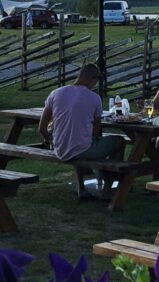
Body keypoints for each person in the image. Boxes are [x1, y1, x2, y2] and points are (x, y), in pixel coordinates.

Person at [39, 62, 126, 200]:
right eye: (96, 80)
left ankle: (82, 188)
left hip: (60, 148)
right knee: (119, 142)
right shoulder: (94, 98)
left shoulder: (56, 93)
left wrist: (49, 140)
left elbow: (42, 127)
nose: (95, 84)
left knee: (78, 139)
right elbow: (96, 131)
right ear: (91, 78)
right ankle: (107, 190)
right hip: (80, 148)